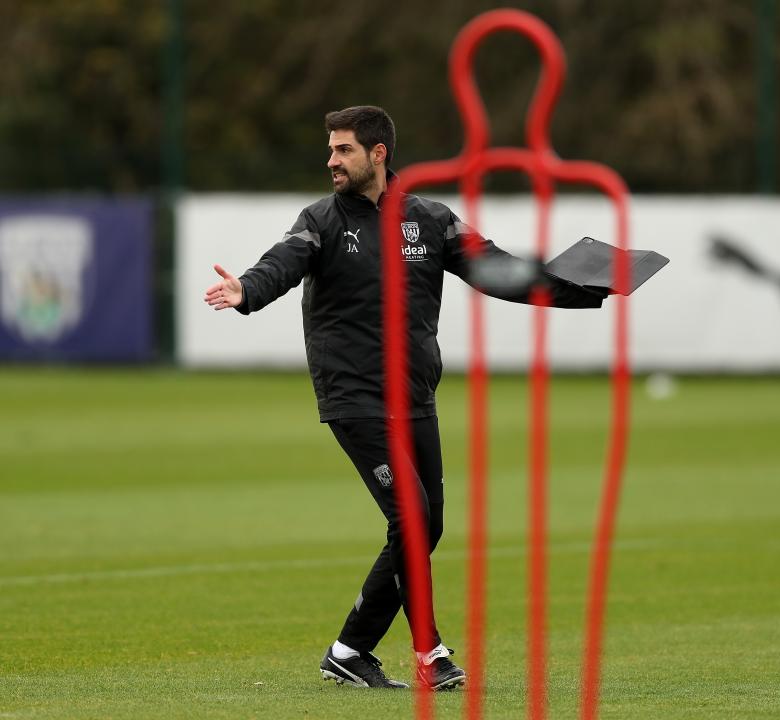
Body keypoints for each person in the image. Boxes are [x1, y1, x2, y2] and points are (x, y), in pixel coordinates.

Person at [204, 106, 605, 690]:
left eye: (343, 150)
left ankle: (350, 650)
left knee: (426, 524)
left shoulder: (431, 219)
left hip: (415, 397)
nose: (331, 160)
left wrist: (583, 287)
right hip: (355, 398)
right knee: (413, 518)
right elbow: (282, 263)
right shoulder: (319, 221)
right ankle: (431, 654)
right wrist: (246, 291)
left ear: (379, 152)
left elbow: (501, 272)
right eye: (331, 149)